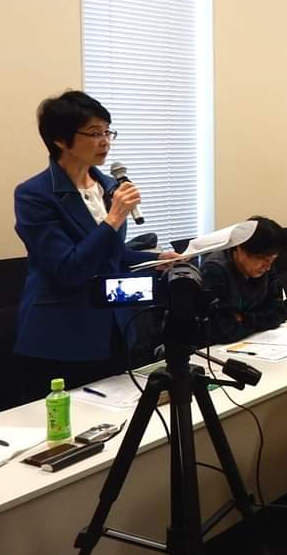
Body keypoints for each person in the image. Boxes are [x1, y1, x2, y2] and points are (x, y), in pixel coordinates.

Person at [13, 90, 179, 401]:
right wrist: (113, 218)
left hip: (114, 326)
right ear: (60, 140)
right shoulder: (34, 195)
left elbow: (111, 255)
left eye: (107, 131)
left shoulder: (108, 185)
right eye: (94, 133)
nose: (105, 141)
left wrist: (155, 259)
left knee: (122, 416)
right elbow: (68, 268)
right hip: (62, 335)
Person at [202, 216, 287, 344]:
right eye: (262, 259)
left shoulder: (265, 265)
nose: (268, 267)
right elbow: (225, 331)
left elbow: (280, 312)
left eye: (273, 260)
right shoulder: (215, 270)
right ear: (240, 248)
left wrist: (243, 318)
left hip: (260, 341)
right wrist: (262, 317)